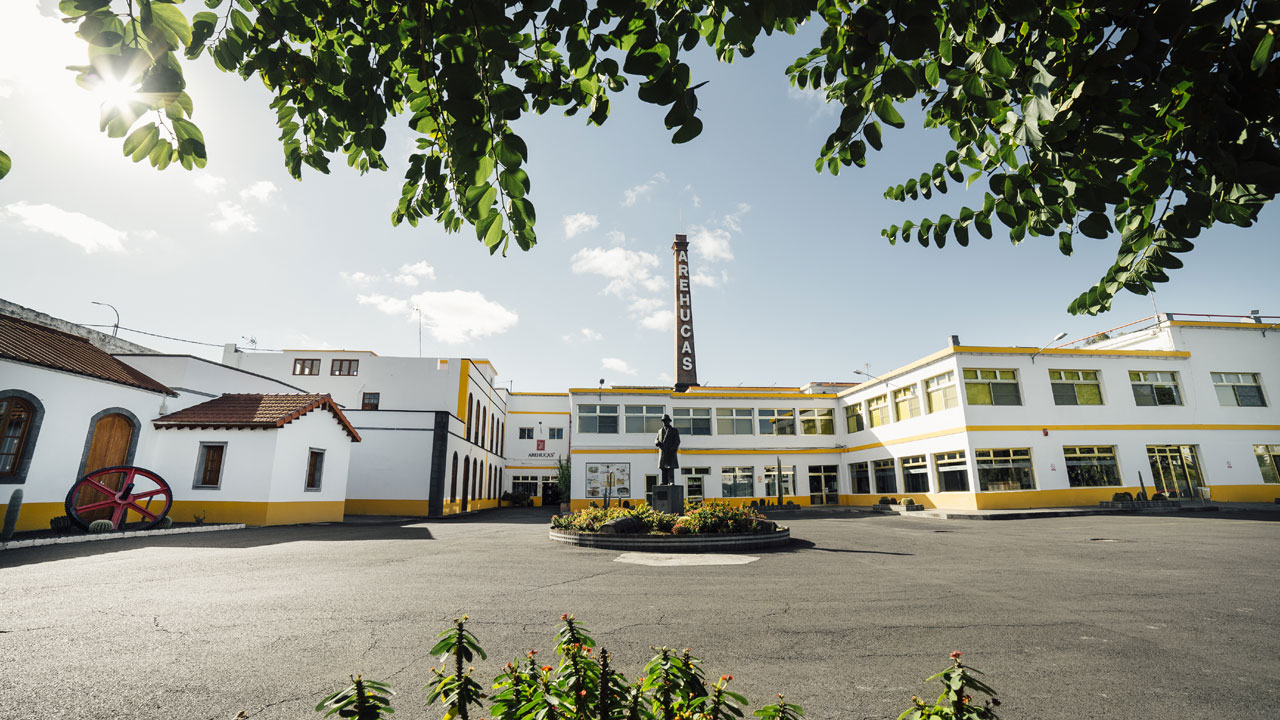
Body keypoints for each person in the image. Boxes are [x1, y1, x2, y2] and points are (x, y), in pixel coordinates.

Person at [655, 414, 680, 485]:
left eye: (666, 421)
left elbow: (677, 441)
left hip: (670, 452)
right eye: (663, 421)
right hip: (663, 452)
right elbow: (656, 439)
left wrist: (673, 449)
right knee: (663, 468)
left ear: (669, 421)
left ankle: (671, 481)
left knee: (670, 468)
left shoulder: (674, 430)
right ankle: (664, 481)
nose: (665, 422)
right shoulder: (659, 431)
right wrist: (657, 442)